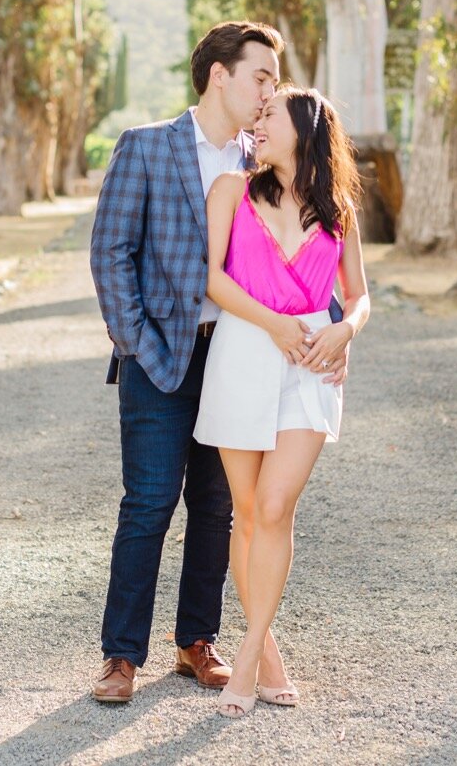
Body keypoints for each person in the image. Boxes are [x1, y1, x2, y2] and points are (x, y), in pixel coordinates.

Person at [87, 23, 349, 703]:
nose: (270, 91)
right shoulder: (146, 147)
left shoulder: (260, 163)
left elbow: (309, 247)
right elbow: (110, 254)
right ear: (220, 76)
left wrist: (334, 331)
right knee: (148, 501)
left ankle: (196, 641)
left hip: (240, 356)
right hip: (160, 353)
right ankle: (121, 656)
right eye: (262, 75)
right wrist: (137, 342)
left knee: (218, 507)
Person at [193, 86, 371, 717]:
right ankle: (267, 652)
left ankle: (243, 662)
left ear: (306, 127)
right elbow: (213, 277)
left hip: (311, 368)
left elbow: (359, 297)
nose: (257, 123)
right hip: (244, 352)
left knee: (276, 505)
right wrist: (271, 321)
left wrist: (345, 329)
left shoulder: (339, 207)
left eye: (270, 115)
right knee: (247, 511)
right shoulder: (230, 191)